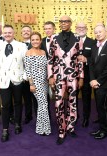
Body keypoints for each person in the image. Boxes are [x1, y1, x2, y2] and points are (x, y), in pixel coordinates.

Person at [47, 15, 84, 144]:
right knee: (58, 103)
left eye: (66, 21)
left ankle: (71, 127)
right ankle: (61, 130)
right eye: (61, 21)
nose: (63, 23)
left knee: (73, 102)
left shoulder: (78, 39)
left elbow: (80, 60)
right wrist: (50, 76)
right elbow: (50, 59)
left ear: (70, 23)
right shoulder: (53, 38)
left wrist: (81, 77)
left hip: (73, 76)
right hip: (58, 76)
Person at [89, 24, 107, 140]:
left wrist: (98, 81)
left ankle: (105, 130)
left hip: (105, 83)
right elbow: (91, 64)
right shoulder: (94, 47)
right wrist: (92, 79)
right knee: (99, 106)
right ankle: (102, 127)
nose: (98, 34)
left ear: (106, 32)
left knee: (104, 107)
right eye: (96, 32)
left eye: (100, 32)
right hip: (95, 82)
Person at [0, 25, 27, 142]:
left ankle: (17, 124)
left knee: (18, 103)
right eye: (5, 32)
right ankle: (5, 129)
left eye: (10, 32)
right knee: (5, 105)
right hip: (3, 81)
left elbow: (27, 63)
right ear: (3, 33)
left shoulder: (21, 46)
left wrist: (24, 77)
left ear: (14, 33)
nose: (7, 34)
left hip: (18, 79)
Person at [24, 31, 51, 136]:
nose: (35, 41)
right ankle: (43, 128)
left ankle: (42, 127)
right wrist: (31, 84)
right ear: (31, 41)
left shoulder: (43, 52)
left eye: (37, 39)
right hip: (35, 83)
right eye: (33, 40)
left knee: (42, 105)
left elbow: (46, 68)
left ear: (40, 41)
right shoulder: (28, 53)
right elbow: (28, 71)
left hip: (45, 82)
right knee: (43, 104)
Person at [75, 22, 96, 127]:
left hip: (87, 76)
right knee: (73, 98)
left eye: (83, 27)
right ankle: (74, 116)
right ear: (75, 28)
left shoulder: (92, 42)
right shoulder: (71, 41)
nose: (81, 29)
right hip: (73, 76)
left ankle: (86, 118)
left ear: (87, 29)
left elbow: (96, 58)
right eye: (79, 27)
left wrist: (86, 59)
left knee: (86, 98)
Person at [21, 25, 37, 124]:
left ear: (31, 32)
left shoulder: (36, 44)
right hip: (23, 76)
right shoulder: (17, 45)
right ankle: (28, 116)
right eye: (24, 31)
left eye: (28, 31)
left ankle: (38, 117)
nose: (26, 32)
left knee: (36, 98)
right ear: (21, 33)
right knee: (26, 98)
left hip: (35, 76)